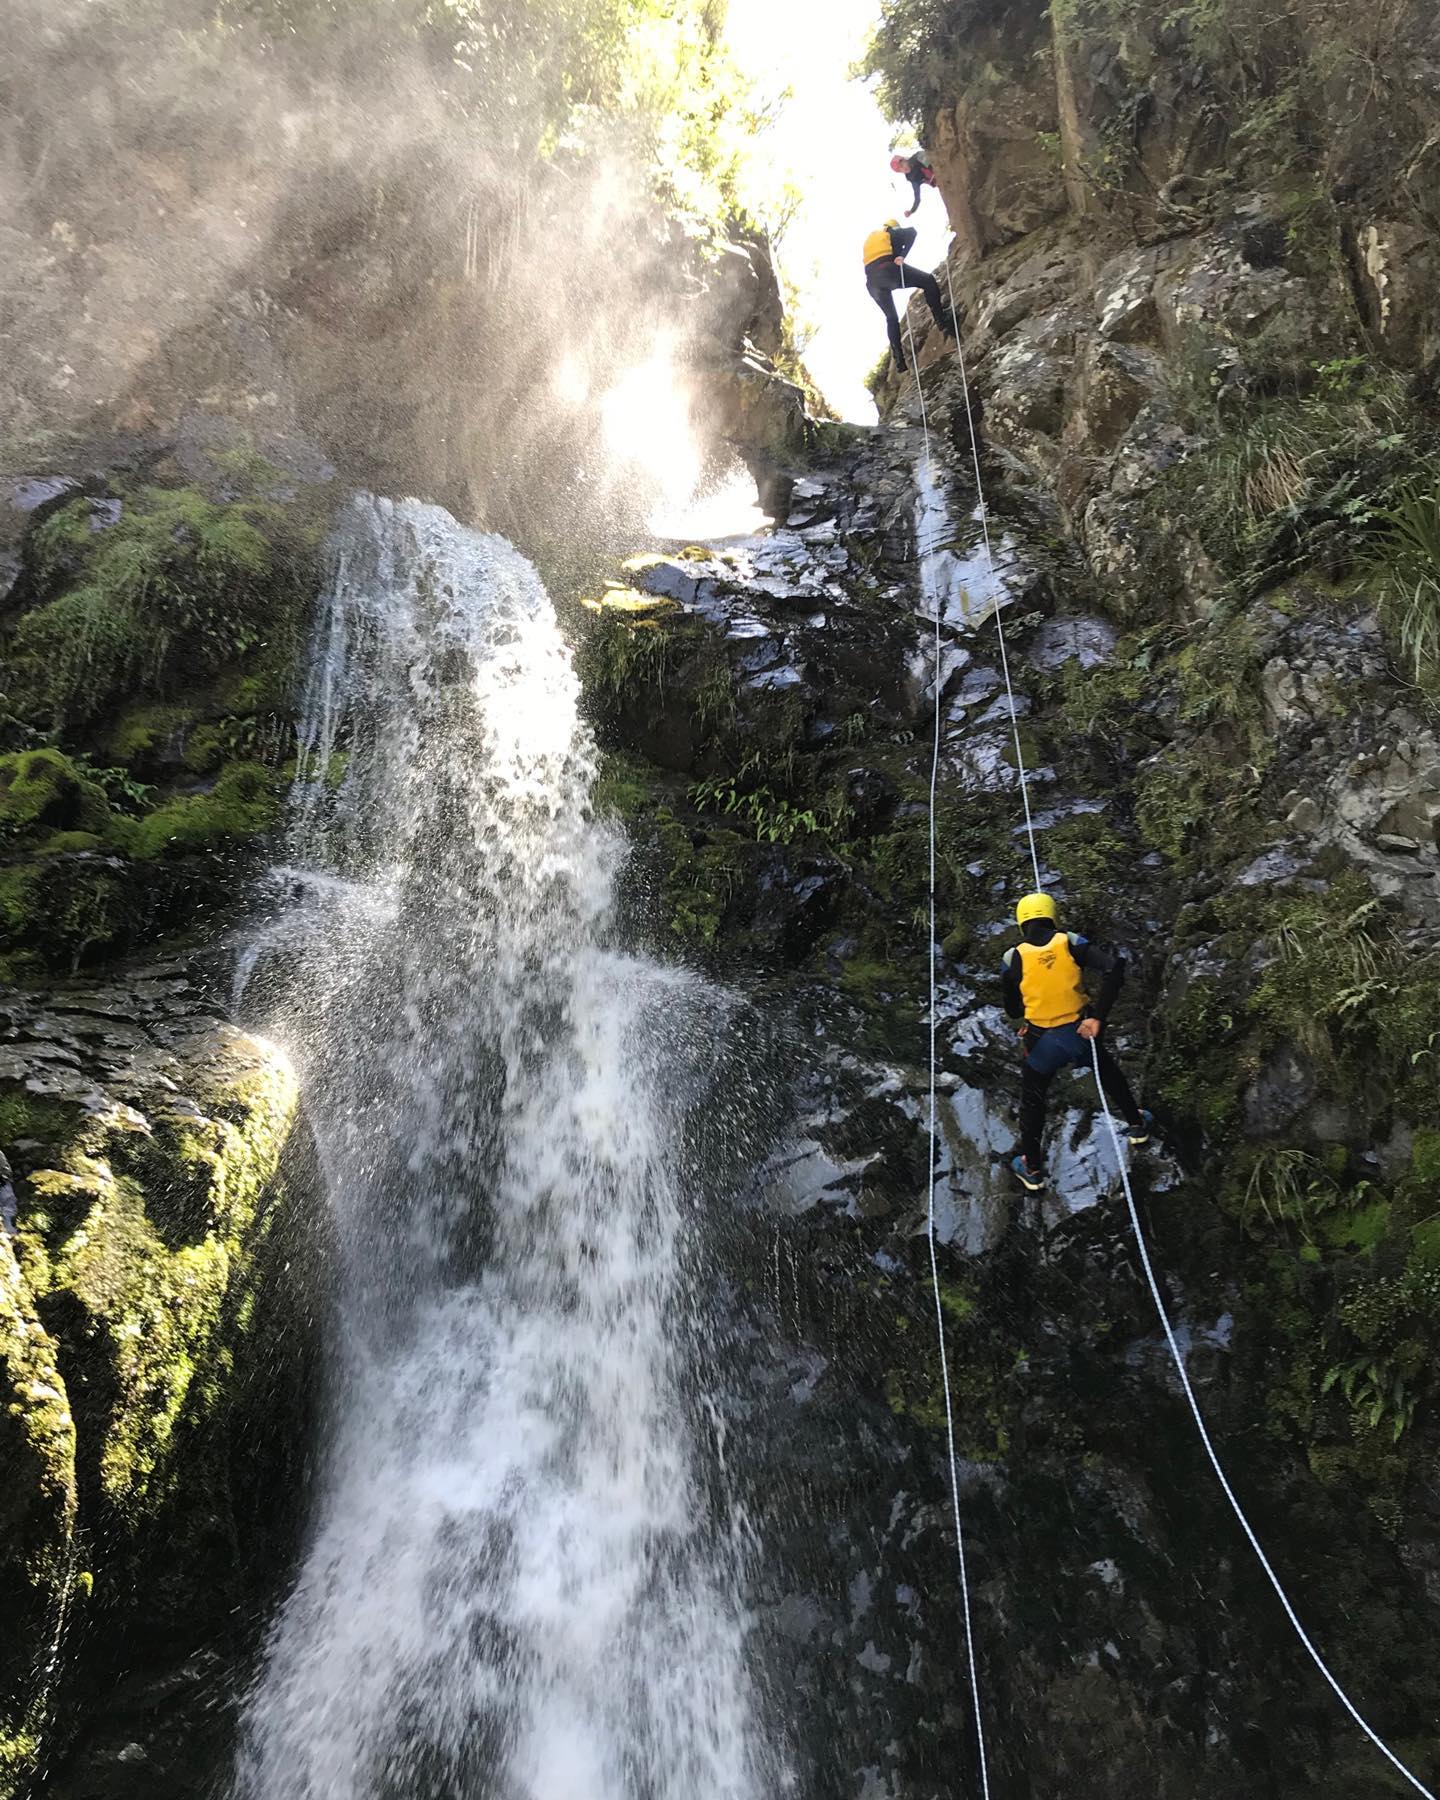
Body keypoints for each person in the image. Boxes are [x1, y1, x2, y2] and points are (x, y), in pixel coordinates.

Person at [1001, 892, 1152, 1193]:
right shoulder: (1069, 941)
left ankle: (1032, 1168)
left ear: (1021, 922)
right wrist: (1098, 1018)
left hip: (1041, 1041)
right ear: (1052, 915)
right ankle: (1136, 1124)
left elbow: (1013, 1010)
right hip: (1081, 1032)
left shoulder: (1011, 957)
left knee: (1032, 1101)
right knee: (1108, 1073)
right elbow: (1114, 968)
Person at [863, 220, 957, 374]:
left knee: (891, 317)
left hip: (872, 282)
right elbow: (912, 232)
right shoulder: (890, 232)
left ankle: (899, 360)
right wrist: (901, 256)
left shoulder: (873, 240)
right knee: (928, 281)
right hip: (888, 269)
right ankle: (941, 321)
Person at [891, 151, 937, 217]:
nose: (903, 169)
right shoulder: (913, 179)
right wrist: (911, 211)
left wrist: (934, 169)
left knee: (920, 156)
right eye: (900, 170)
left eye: (902, 165)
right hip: (939, 180)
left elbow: (927, 156)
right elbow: (917, 198)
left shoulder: (917, 157)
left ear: (904, 160)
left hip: (938, 166)